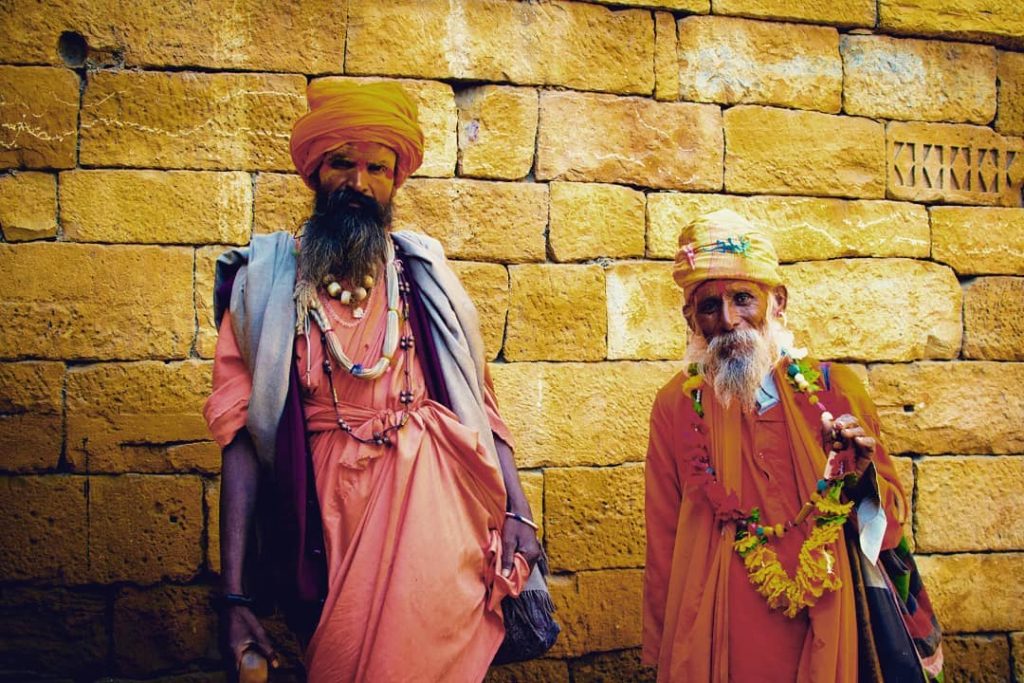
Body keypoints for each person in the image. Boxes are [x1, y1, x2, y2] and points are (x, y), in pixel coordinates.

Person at [204, 80, 543, 682]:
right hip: (324, 526)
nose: (358, 184)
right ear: (315, 171)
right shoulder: (264, 288)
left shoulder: (424, 275)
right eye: (342, 164)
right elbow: (239, 436)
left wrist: (519, 513)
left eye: (376, 169)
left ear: (395, 180)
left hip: (439, 517)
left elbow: (482, 407)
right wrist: (233, 596)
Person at [642, 209, 940, 681]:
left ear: (777, 302)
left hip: (826, 615)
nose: (729, 319)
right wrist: (665, 645)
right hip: (721, 629)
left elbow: (892, 516)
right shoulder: (676, 406)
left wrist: (861, 477)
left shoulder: (835, 390)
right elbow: (664, 533)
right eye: (709, 306)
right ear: (690, 319)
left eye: (743, 298)